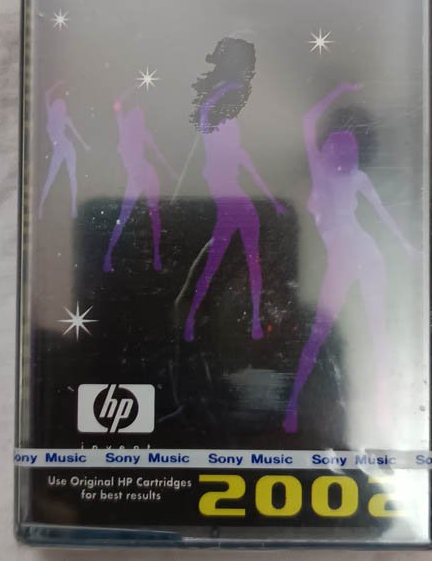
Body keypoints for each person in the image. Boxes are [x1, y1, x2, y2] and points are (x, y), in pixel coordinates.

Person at [283, 82, 416, 433]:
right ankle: (292, 407)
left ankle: (387, 413)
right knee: (321, 332)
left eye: (349, 144)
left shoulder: (357, 178)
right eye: (339, 142)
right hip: (341, 259)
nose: (344, 149)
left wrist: (407, 246)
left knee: (377, 329)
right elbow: (308, 122)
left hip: (365, 252)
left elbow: (384, 214)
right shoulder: (319, 176)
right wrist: (338, 90)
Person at [184, 38, 285, 342]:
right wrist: (228, 87)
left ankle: (199, 318)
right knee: (239, 260)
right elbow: (236, 156)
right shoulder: (216, 113)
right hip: (228, 193)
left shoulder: (218, 115)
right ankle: (247, 322)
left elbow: (243, 160)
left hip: (230, 192)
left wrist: (271, 199)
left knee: (229, 260)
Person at [103, 92, 177, 272]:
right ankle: (108, 257)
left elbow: (158, 155)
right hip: (135, 177)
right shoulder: (123, 127)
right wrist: (132, 89)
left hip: (148, 173)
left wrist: (172, 173)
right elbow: (117, 103)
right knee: (123, 216)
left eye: (141, 116)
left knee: (154, 215)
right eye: (137, 115)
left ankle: (156, 257)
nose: (140, 118)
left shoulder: (143, 133)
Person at [38, 81, 89, 219]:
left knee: (72, 176)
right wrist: (58, 84)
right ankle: (40, 207)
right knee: (50, 178)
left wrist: (84, 145)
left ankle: (73, 207)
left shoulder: (65, 118)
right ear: (56, 106)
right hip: (58, 151)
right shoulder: (50, 114)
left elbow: (76, 133)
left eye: (62, 106)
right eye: (59, 105)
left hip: (68, 148)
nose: (61, 107)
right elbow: (46, 95)